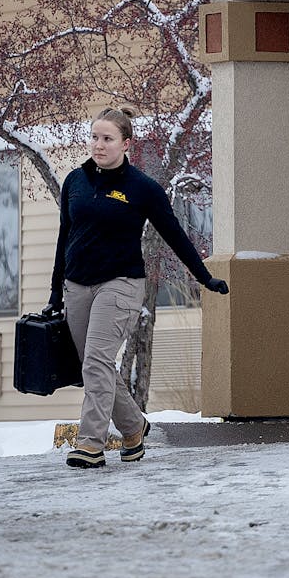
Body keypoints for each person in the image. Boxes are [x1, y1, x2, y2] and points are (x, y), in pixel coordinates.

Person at [47, 107, 229, 469]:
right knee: (93, 365)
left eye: (107, 139)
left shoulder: (142, 189)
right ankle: (133, 427)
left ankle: (90, 444)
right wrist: (56, 292)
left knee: (97, 361)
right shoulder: (75, 182)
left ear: (126, 144)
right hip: (78, 285)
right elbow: (64, 238)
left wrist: (203, 277)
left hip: (121, 284)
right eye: (95, 137)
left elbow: (176, 236)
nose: (98, 145)